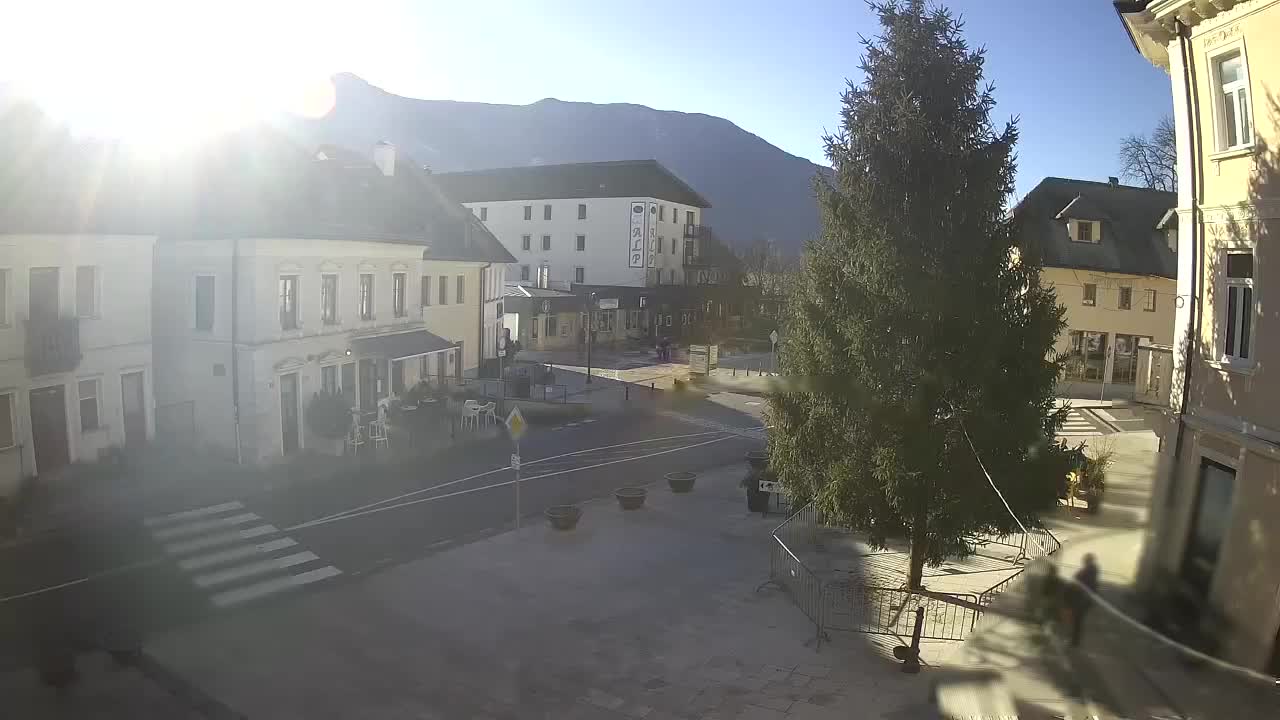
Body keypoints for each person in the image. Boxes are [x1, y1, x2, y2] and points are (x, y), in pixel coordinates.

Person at [1068, 554, 1100, 647]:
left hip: (1083, 599)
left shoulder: (1090, 571)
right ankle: (1074, 640)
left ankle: (1074, 641)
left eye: (1085, 560)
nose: (1083, 561)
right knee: (1077, 620)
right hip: (1083, 599)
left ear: (1088, 560)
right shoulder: (1090, 570)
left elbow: (1081, 580)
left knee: (1078, 620)